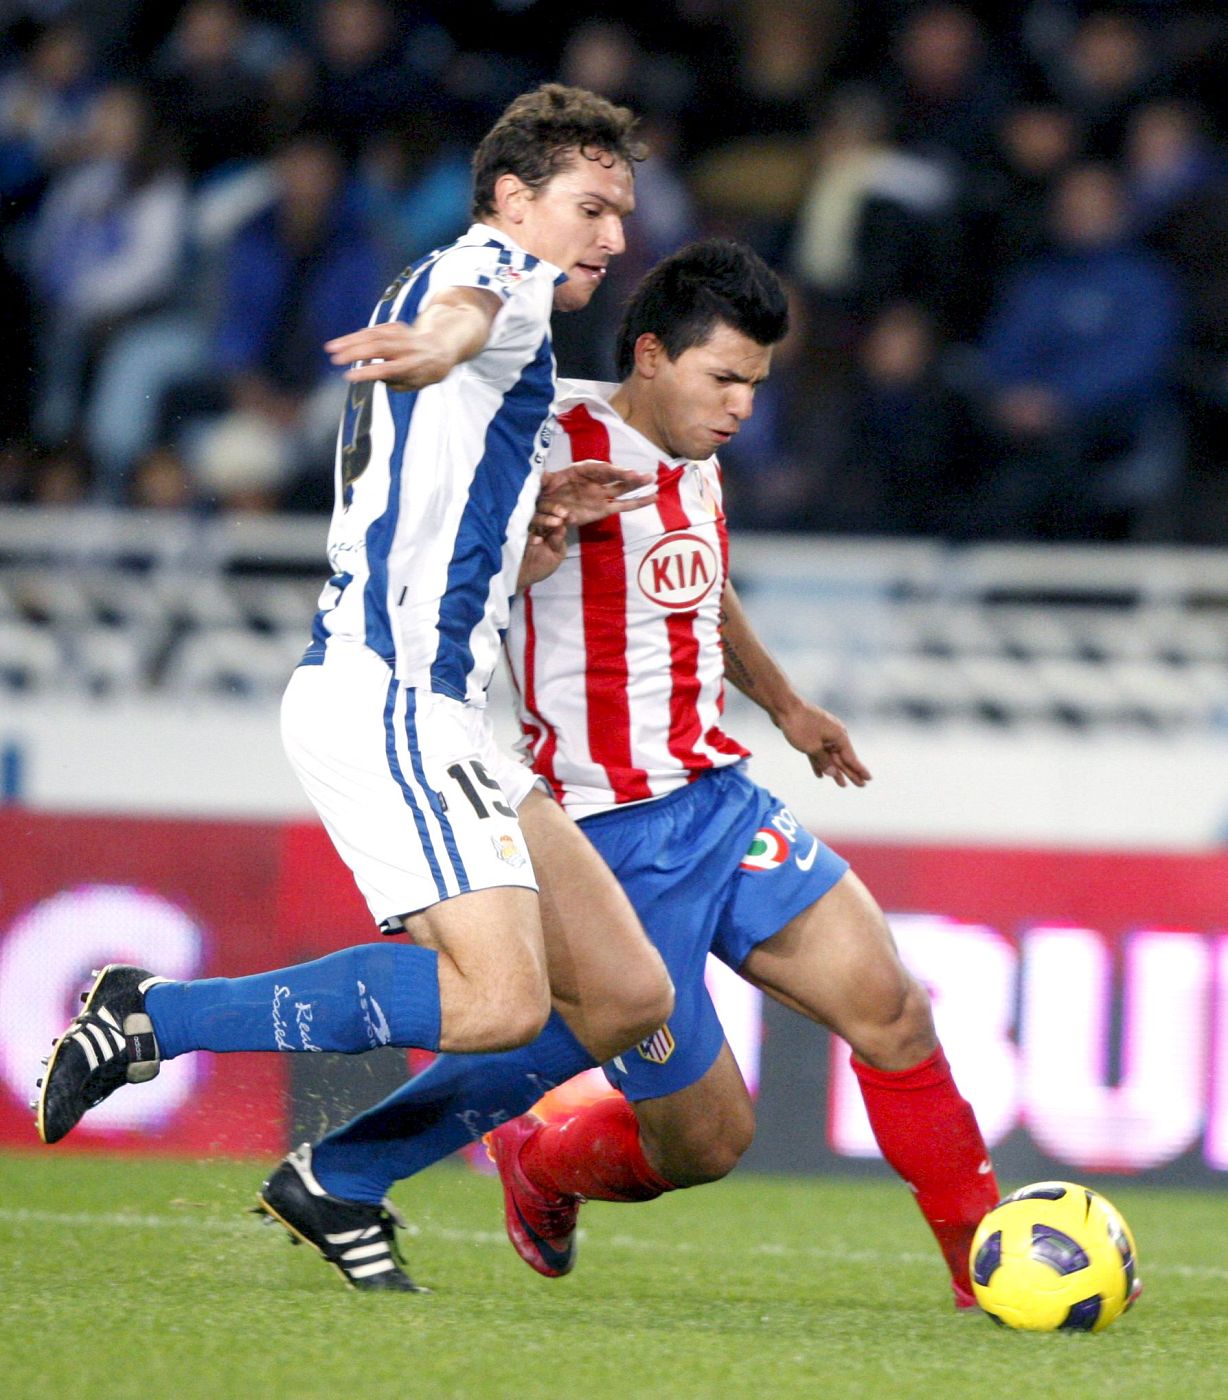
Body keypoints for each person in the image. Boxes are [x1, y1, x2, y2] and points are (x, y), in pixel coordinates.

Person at [270, 239, 1000, 1307]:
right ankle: (527, 1160)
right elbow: (440, 559)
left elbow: (700, 585)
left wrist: (785, 703)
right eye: (723, 378)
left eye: (755, 383)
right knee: (708, 1139)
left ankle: (983, 1273)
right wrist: (529, 529)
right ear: (651, 354)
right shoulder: (539, 437)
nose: (742, 405)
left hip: (718, 803)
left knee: (893, 1009)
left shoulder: (698, 447)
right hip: (603, 842)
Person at [35, 87, 677, 1285]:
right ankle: (150, 1016)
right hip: (391, 696)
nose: (610, 238)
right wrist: (445, 338)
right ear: (513, 198)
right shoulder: (494, 275)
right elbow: (472, 311)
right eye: (590, 208)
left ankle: (339, 1176)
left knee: (628, 992)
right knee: (497, 1001)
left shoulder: (465, 279)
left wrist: (525, 527)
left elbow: (426, 477)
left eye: (620, 212)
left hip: (440, 699)